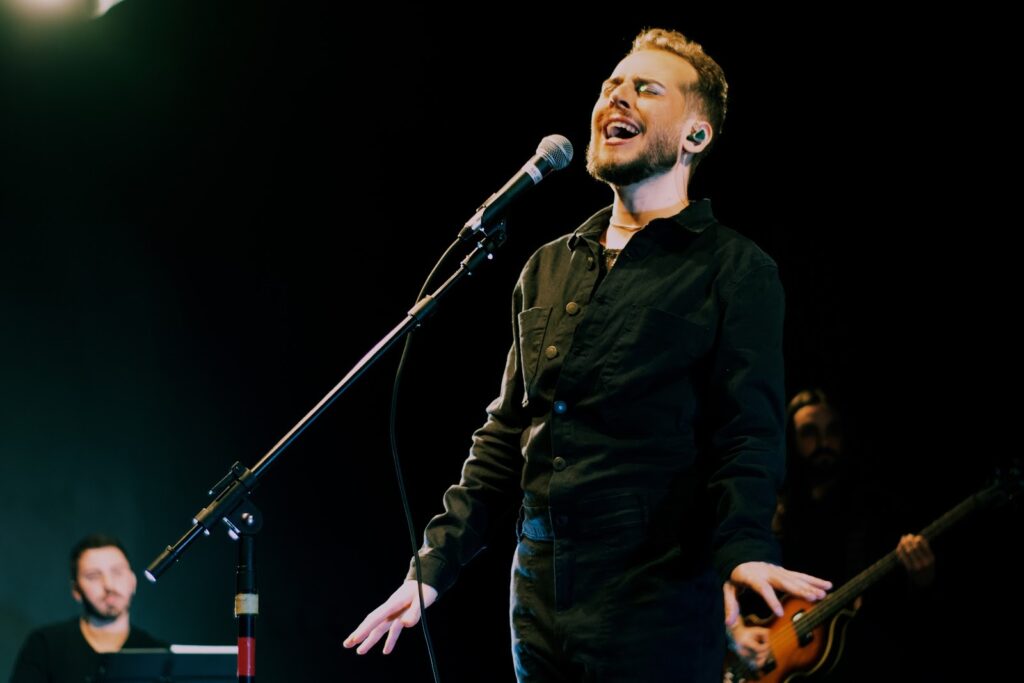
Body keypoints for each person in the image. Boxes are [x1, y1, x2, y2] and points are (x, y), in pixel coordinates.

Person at [345, 28, 831, 682]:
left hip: (653, 602)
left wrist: (744, 547)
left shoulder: (734, 271)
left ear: (695, 135)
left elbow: (747, 434)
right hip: (537, 602)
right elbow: (505, 436)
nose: (616, 98)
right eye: (611, 86)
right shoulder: (547, 267)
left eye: (645, 89)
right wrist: (431, 568)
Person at [729, 389, 935, 680]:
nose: (823, 443)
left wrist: (921, 579)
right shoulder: (771, 512)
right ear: (792, 441)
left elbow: (901, 609)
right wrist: (737, 630)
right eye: (809, 433)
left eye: (832, 431)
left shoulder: (874, 509)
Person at [9, 533, 166, 683]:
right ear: (76, 590)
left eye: (117, 572)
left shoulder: (159, 655)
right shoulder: (45, 646)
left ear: (133, 581)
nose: (108, 585)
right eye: (93, 576)